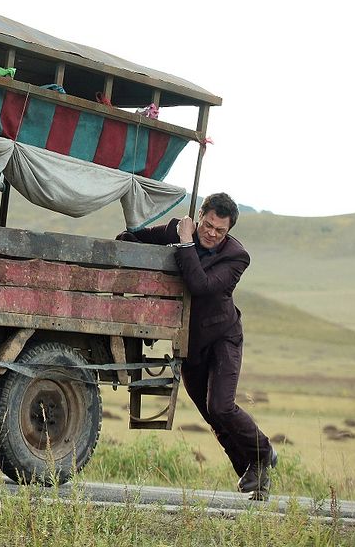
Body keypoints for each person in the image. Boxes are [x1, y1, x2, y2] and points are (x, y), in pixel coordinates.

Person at [116, 192, 276, 499]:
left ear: (229, 232)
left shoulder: (236, 256)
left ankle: (264, 453)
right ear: (200, 215)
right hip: (189, 343)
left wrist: (186, 242)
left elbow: (200, 286)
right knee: (210, 413)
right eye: (209, 225)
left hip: (222, 339)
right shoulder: (177, 229)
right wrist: (141, 264)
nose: (213, 234)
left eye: (221, 230)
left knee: (221, 406)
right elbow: (133, 237)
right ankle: (253, 471)